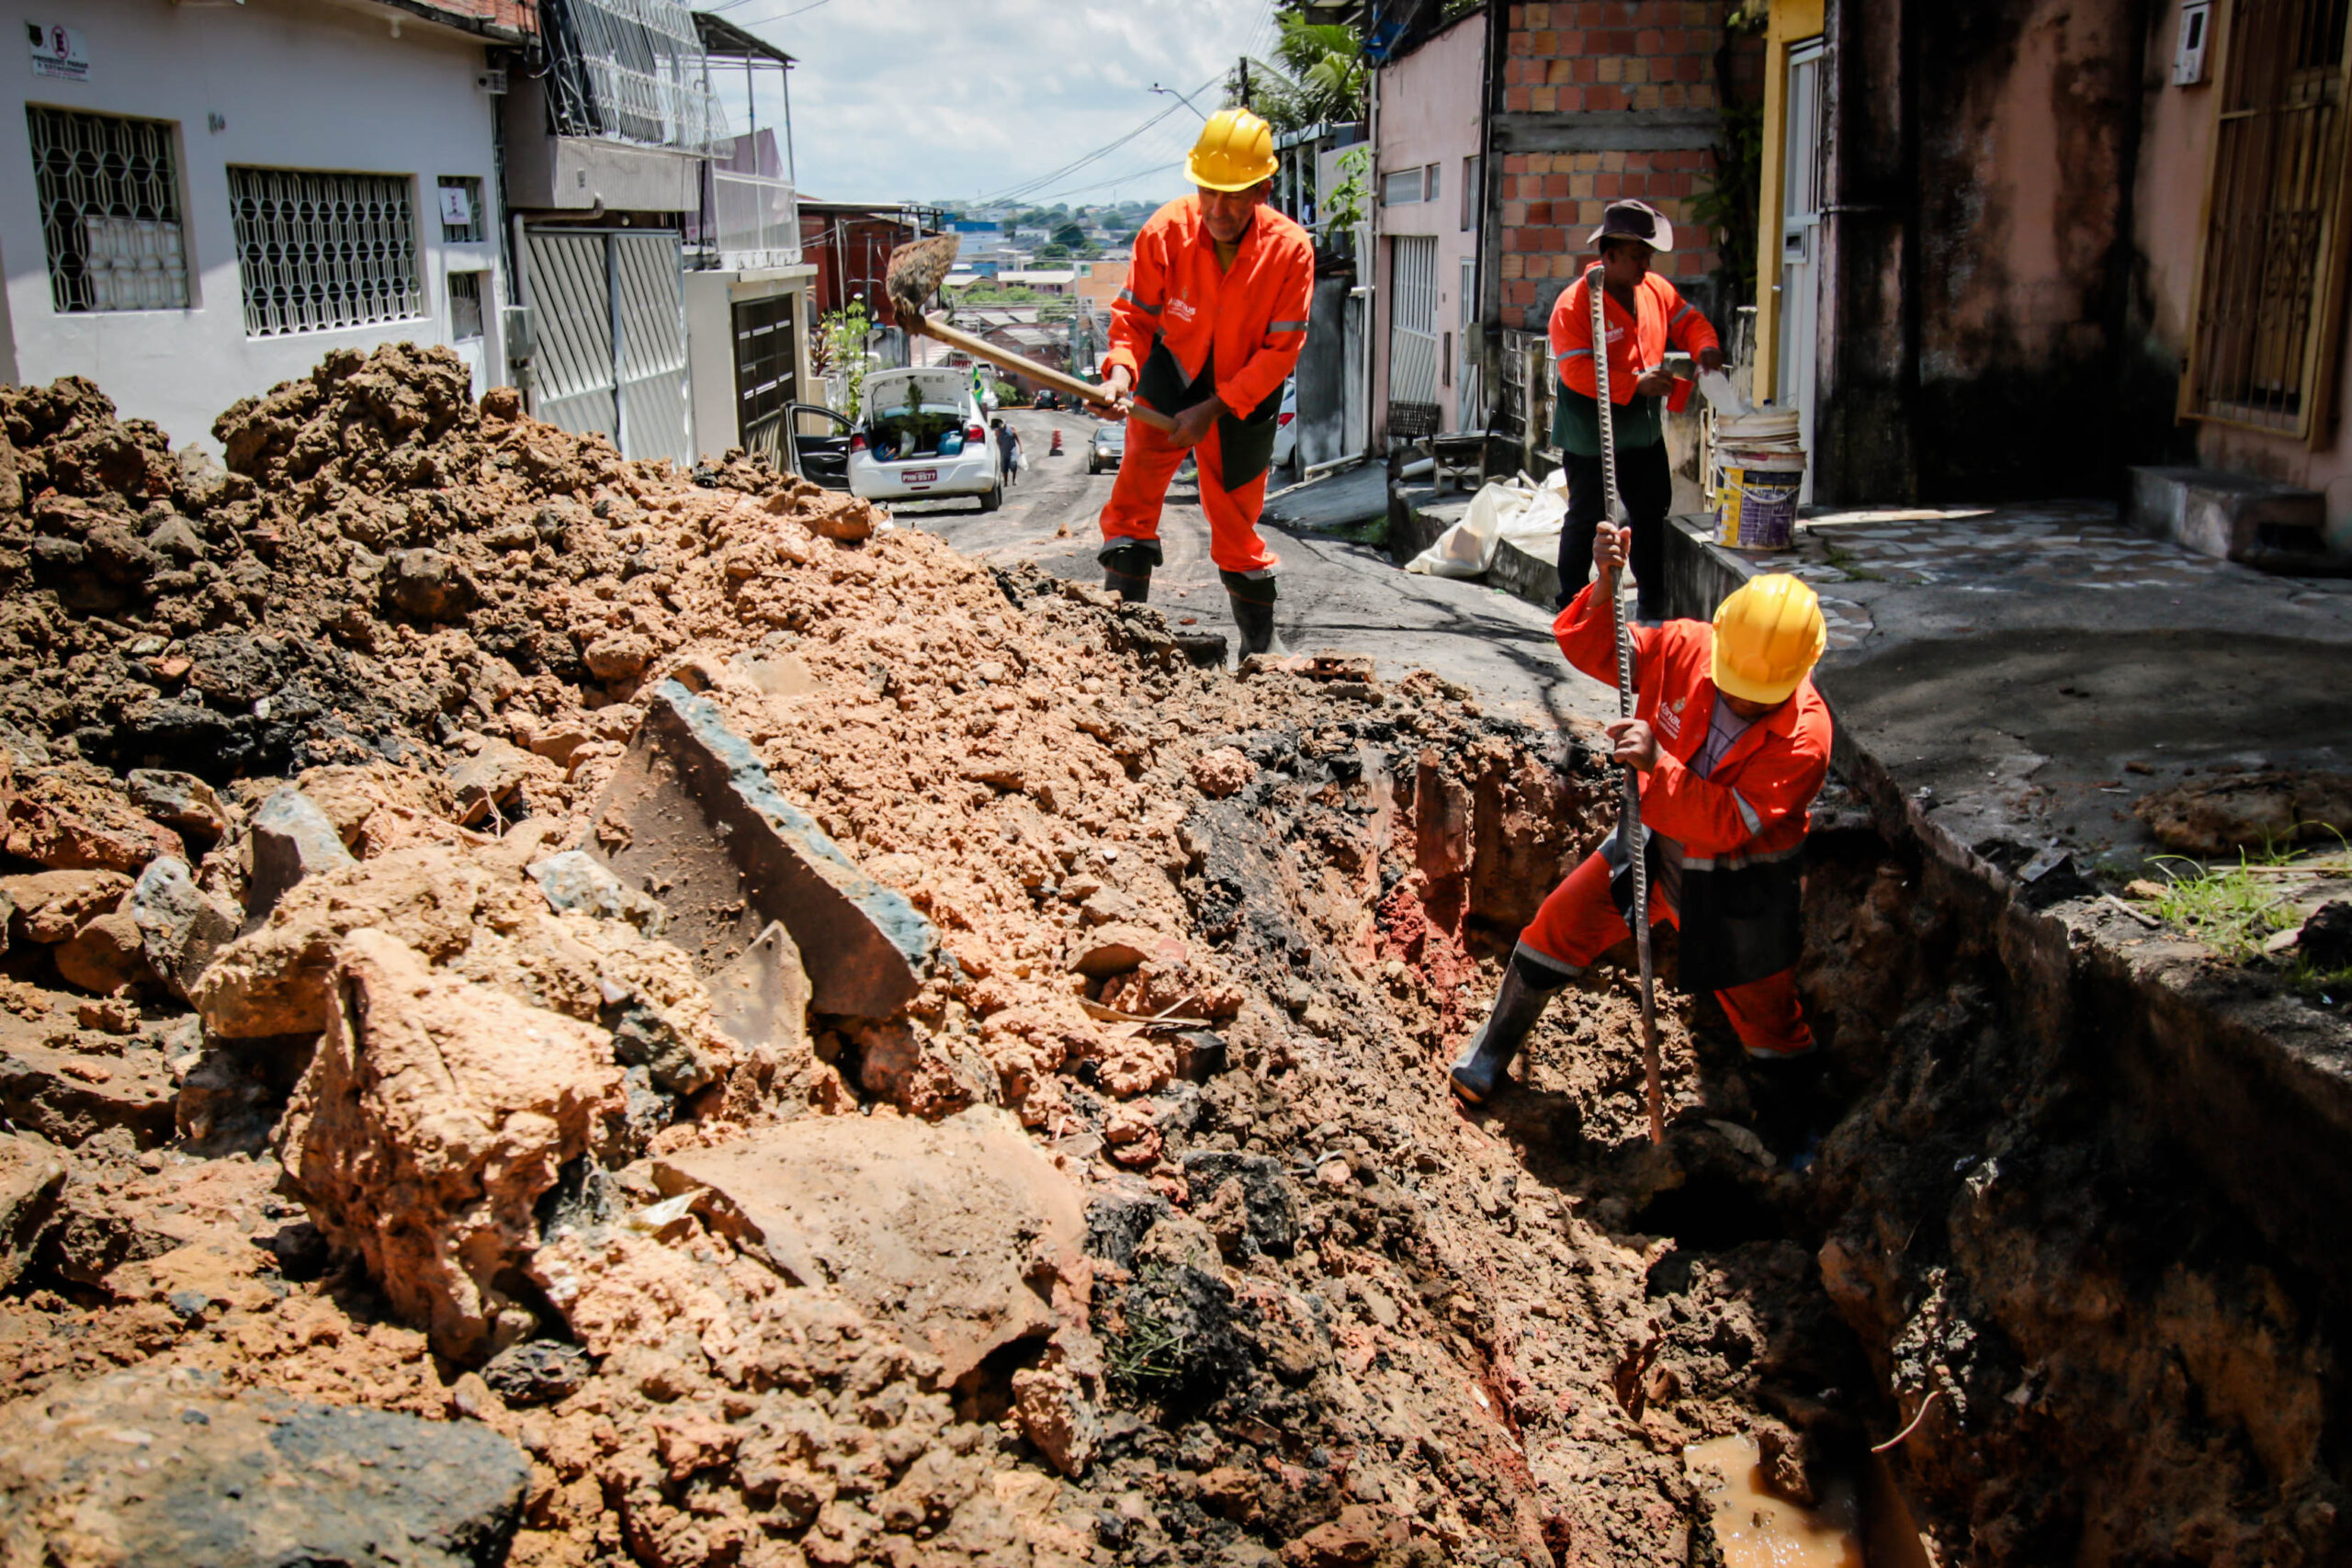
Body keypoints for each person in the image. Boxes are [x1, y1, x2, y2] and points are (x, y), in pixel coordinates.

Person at [1449, 517, 1833, 1113]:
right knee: (1560, 923)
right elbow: (1604, 650)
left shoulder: (1805, 739)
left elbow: (1728, 821)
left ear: (1796, 674)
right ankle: (1491, 1050)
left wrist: (1657, 762)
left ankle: (1793, 1122)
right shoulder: (1691, 648)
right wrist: (1607, 586)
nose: (1735, 697)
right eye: (1730, 682)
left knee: (1766, 1014)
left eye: (1753, 695)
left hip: (1738, 883)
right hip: (1655, 844)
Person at [1087, 107, 1313, 656]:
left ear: (1262, 187)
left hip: (1242, 393)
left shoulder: (1289, 250)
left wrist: (1214, 409)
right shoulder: (1166, 232)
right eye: (1208, 191)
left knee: (1236, 521)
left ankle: (1259, 648)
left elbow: (1281, 351)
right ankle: (1126, 639)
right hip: (1172, 372)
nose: (1217, 208)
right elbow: (1135, 320)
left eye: (1233, 195)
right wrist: (1119, 375)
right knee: (1133, 499)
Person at [1548, 200, 1724, 623]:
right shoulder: (1573, 305)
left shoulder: (1655, 290)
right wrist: (1633, 384)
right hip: (1591, 432)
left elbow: (1690, 321)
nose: (1646, 263)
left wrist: (1707, 348)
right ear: (1608, 256)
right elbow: (1575, 370)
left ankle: (1651, 606)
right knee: (1588, 518)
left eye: (1648, 255)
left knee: (1650, 513)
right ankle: (1570, 605)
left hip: (1642, 430)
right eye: (1637, 255)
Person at [992, 417, 1021, 488]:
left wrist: (1020, 447)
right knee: (1004, 467)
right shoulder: (998, 431)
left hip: (1012, 450)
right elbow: (997, 440)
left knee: (1013, 464)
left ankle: (1014, 479)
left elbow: (1016, 437)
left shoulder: (1011, 428)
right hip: (1004, 451)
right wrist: (1000, 447)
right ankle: (1005, 482)